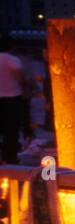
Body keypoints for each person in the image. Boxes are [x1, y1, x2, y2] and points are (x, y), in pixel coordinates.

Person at [0, 35, 23, 164]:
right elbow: (19, 77)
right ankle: (10, 157)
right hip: (12, 97)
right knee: (11, 129)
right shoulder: (12, 60)